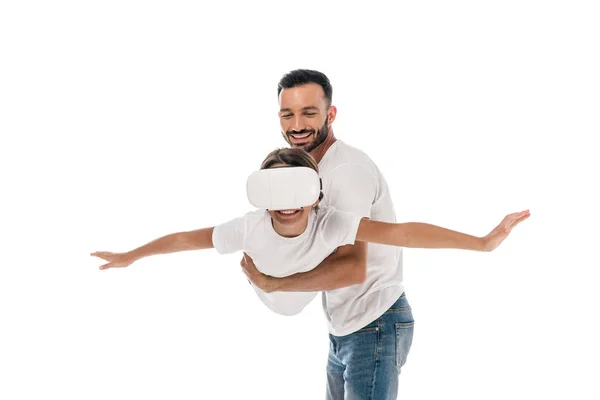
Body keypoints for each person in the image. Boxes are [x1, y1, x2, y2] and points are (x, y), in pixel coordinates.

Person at [92, 146, 529, 397]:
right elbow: (186, 238)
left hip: (374, 324)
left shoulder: (333, 222)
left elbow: (404, 234)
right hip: (338, 332)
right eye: (274, 188)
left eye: (296, 188)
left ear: (315, 195)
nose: (285, 202)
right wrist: (131, 255)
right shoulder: (249, 227)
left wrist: (483, 242)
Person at [238, 69, 529, 400]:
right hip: (345, 329)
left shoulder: (345, 172)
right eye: (287, 114)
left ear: (330, 114)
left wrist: (274, 283)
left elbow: (354, 266)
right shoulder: (305, 173)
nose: (297, 125)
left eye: (309, 112)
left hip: (372, 325)